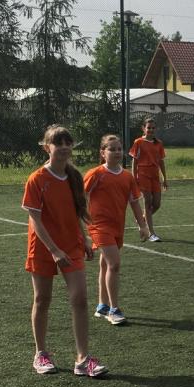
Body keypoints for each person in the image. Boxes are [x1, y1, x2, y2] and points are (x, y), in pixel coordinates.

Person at [24, 125, 107, 379]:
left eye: (67, 143)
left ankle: (83, 359)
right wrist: (54, 250)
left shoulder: (74, 177)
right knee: (42, 299)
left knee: (80, 299)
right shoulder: (37, 179)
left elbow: (75, 213)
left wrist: (83, 238)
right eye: (57, 143)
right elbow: (35, 219)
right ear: (46, 147)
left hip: (70, 245)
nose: (63, 147)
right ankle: (41, 353)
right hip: (43, 246)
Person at [85, 134, 151, 326]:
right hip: (99, 226)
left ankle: (102, 306)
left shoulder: (127, 177)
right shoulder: (95, 174)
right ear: (102, 153)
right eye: (111, 149)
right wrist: (80, 223)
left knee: (106, 264)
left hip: (117, 226)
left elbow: (134, 202)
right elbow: (80, 198)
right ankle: (114, 310)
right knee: (114, 264)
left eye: (119, 149)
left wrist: (143, 225)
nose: (116, 152)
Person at [129, 117, 167, 242]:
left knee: (157, 204)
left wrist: (164, 178)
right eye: (148, 127)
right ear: (143, 129)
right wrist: (134, 178)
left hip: (155, 176)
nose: (151, 130)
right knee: (148, 202)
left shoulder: (159, 143)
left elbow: (161, 161)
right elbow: (134, 161)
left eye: (153, 128)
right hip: (143, 174)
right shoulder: (138, 142)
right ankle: (151, 233)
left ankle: (142, 218)